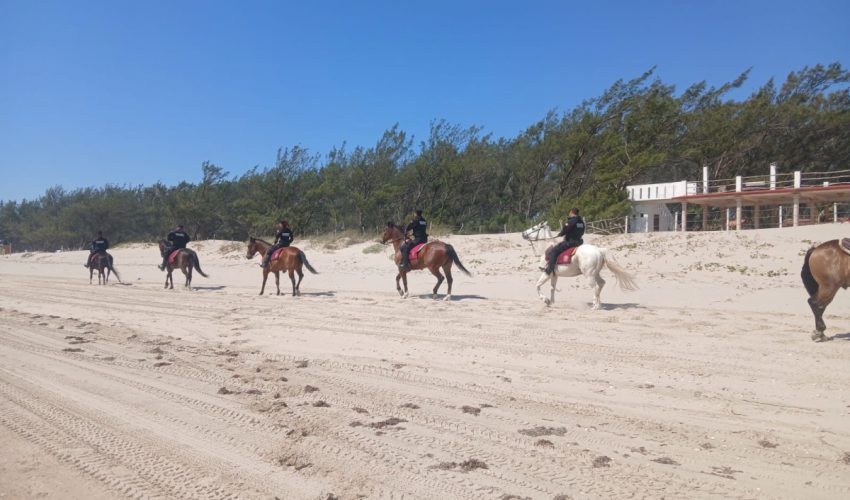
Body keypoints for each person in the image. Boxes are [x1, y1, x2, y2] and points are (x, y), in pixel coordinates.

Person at [542, 208, 585, 274]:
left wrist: (560, 234)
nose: (569, 214)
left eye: (569, 212)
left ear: (571, 212)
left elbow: (566, 229)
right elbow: (582, 231)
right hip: (579, 241)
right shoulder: (581, 222)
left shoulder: (571, 221)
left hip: (571, 242)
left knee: (554, 251)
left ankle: (549, 269)